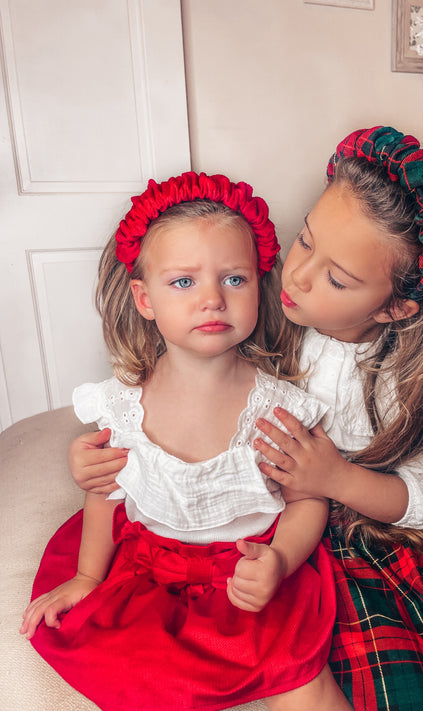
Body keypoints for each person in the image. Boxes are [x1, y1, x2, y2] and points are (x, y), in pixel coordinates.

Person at [66, 127, 423, 710]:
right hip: (278, 526)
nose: (296, 277)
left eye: (337, 278)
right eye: (306, 241)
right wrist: (101, 455)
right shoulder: (258, 315)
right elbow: (177, 388)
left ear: (395, 306)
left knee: (418, 673)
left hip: (372, 535)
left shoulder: (400, 380)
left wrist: (334, 480)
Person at [19, 171, 350, 711]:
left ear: (259, 290)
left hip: (249, 566)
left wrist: (282, 561)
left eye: (234, 279)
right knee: (136, 674)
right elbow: (105, 490)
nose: (213, 300)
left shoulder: (278, 408)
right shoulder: (123, 404)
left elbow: (307, 496)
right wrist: (86, 576)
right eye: (183, 282)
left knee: (302, 680)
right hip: (151, 568)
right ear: (144, 299)